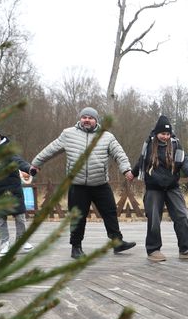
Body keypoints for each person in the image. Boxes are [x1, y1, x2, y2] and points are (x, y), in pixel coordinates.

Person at [30, 107, 136, 259]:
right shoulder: (68, 134)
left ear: (96, 120)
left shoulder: (107, 137)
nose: (87, 120)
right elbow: (51, 149)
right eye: (84, 117)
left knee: (110, 212)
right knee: (77, 217)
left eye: (90, 118)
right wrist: (35, 164)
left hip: (100, 184)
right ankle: (76, 247)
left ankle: (117, 242)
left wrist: (126, 170)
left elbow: (120, 154)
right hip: (78, 185)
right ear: (80, 119)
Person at [131, 115, 188, 262]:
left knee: (182, 215)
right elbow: (141, 161)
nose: (165, 136)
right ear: (157, 133)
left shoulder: (176, 144)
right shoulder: (149, 145)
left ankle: (186, 248)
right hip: (154, 188)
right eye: (163, 134)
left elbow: (185, 161)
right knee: (154, 219)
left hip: (172, 187)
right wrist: (133, 172)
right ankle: (153, 250)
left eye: (168, 134)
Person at [0, 128, 37, 257]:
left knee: (20, 218)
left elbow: (19, 162)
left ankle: (21, 241)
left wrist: (29, 169)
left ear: (0, 138)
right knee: (1, 220)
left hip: (13, 192)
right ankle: (5, 244)